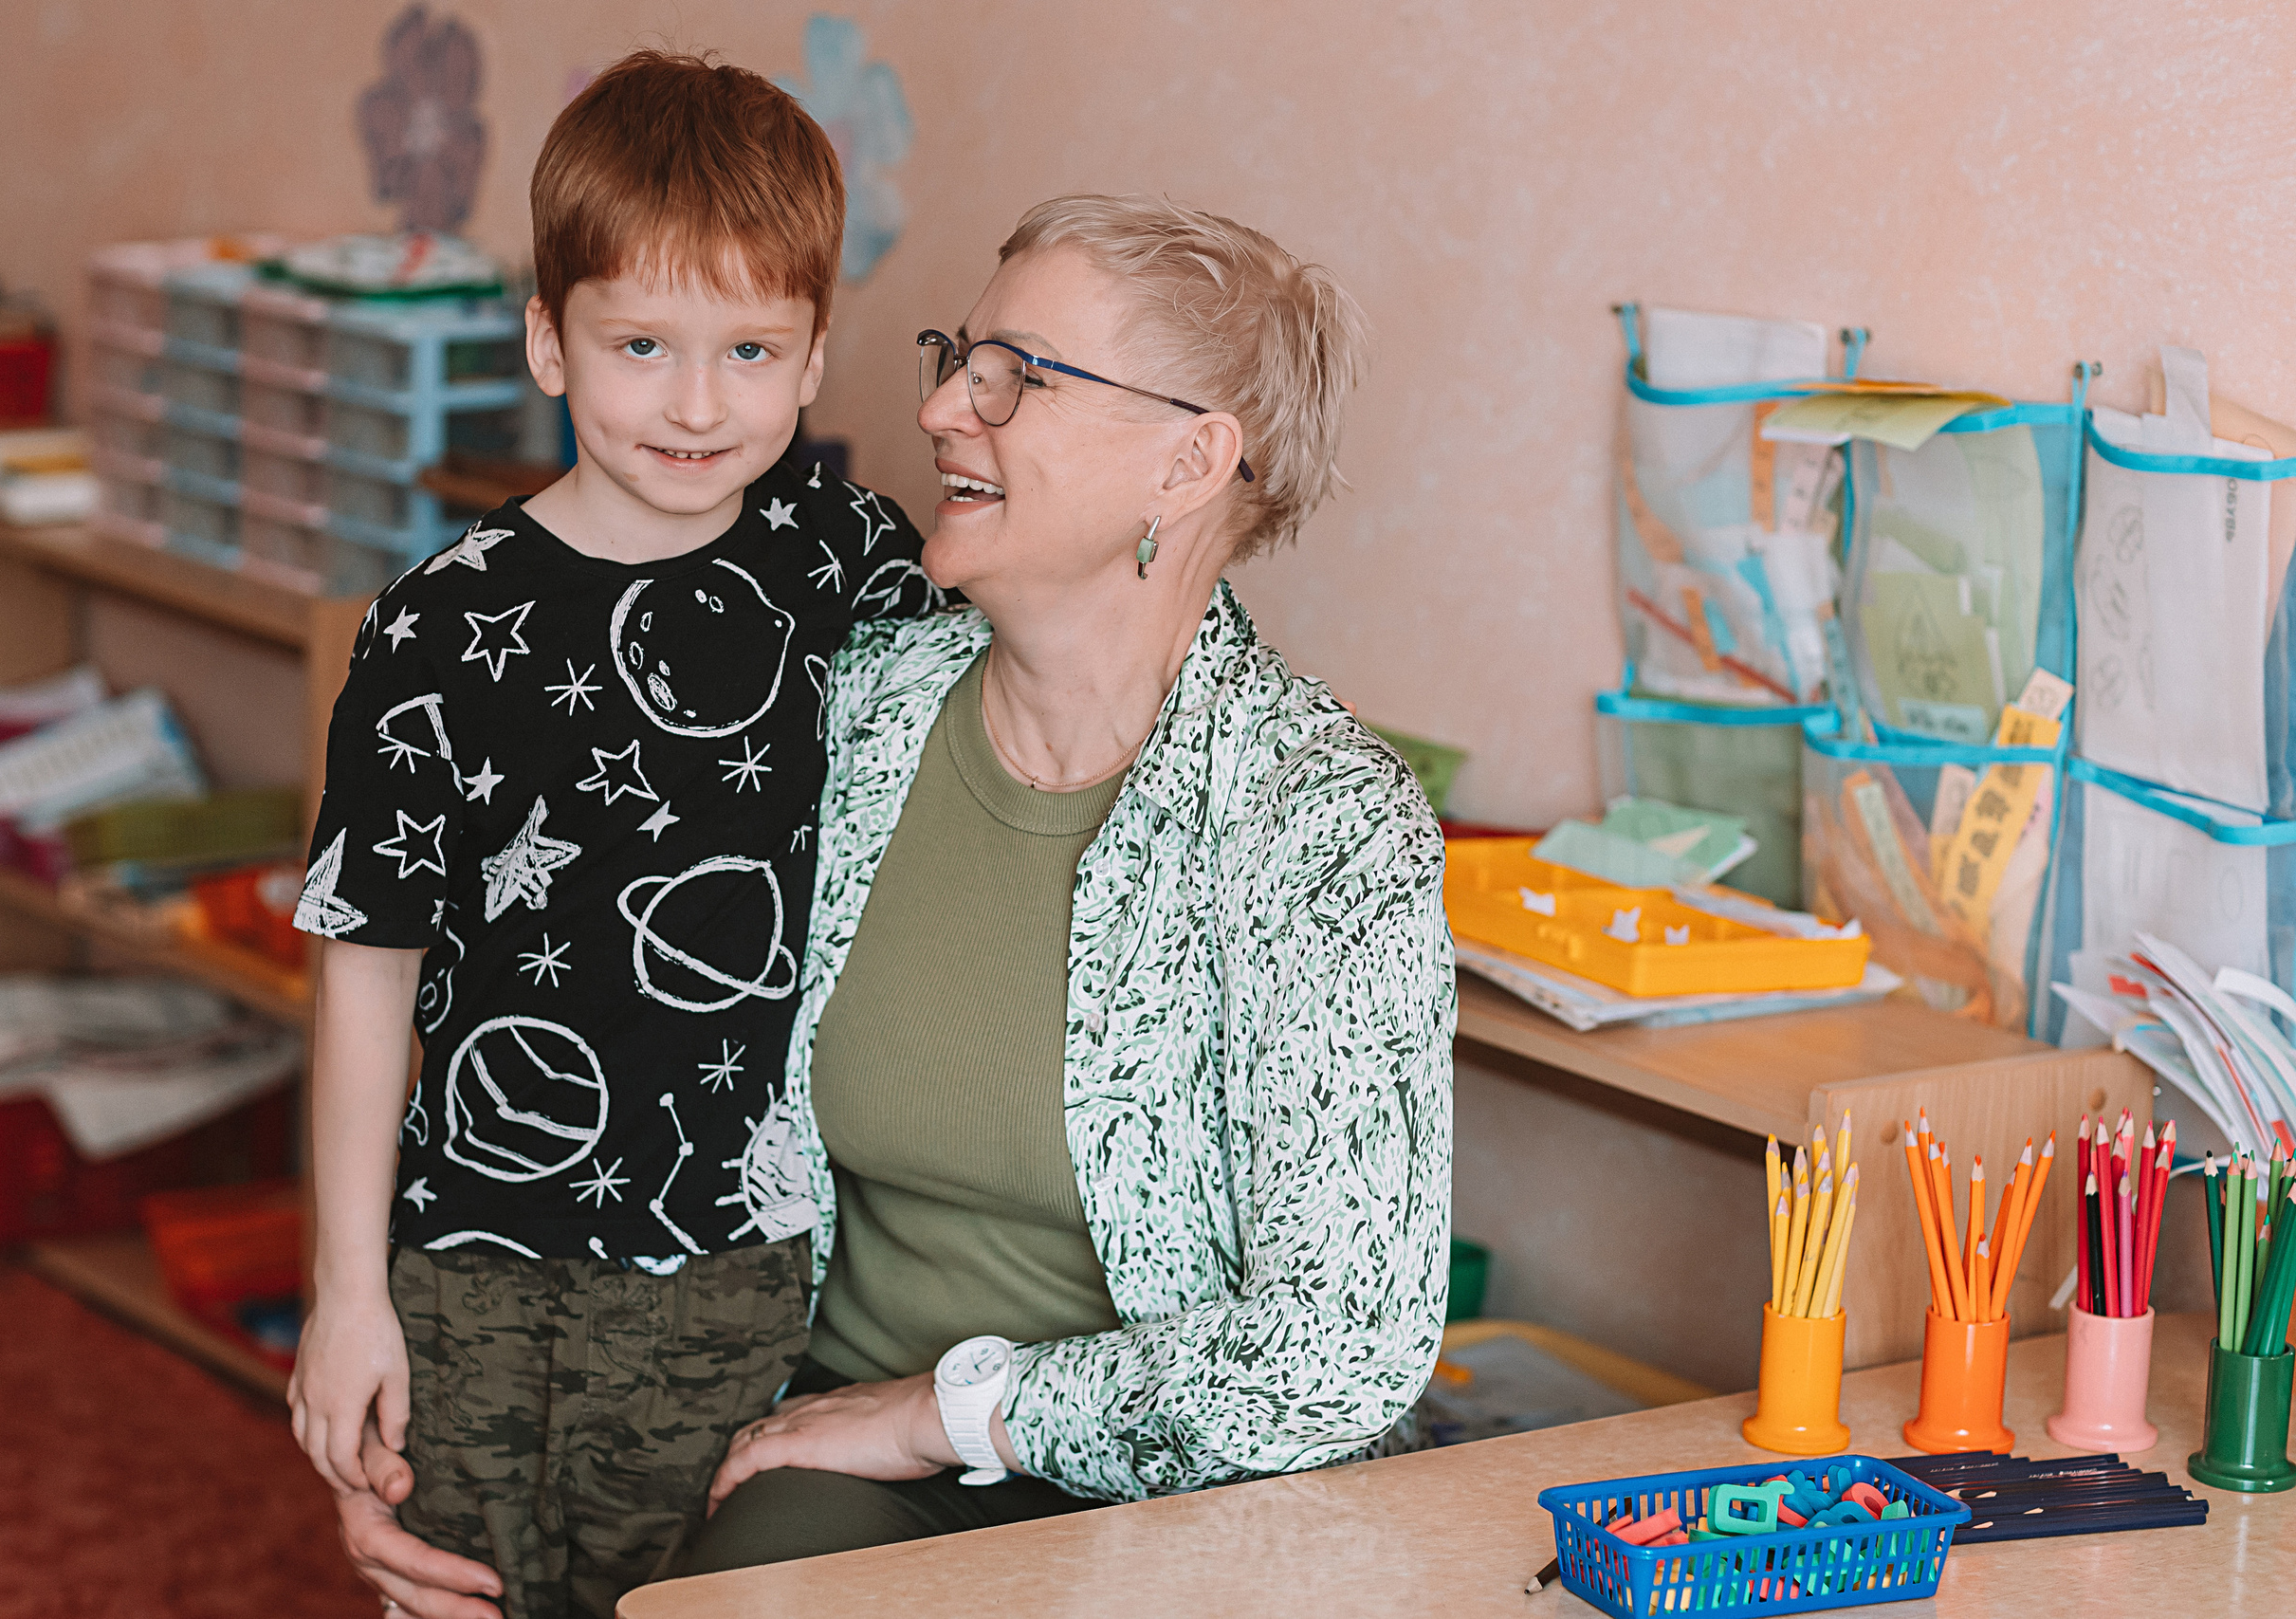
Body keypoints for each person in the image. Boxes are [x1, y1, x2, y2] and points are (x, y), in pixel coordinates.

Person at [336, 193, 1457, 1608]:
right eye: (956, 360)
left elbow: (1340, 1347)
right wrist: (425, 1423)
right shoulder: (848, 698)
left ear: (1190, 460)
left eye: (1016, 380)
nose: (939, 412)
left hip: (1174, 1498)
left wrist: (945, 1410)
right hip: (813, 1433)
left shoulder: (1323, 822)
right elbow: (540, 1000)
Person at [285, 50, 932, 1619]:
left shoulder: (852, 567)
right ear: (548, 342)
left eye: (750, 350)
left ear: (815, 355)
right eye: (641, 343)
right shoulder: (434, 629)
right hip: (466, 1261)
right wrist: (344, 1293)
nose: (699, 403)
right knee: (453, 1595)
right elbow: (366, 974)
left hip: (734, 1264)